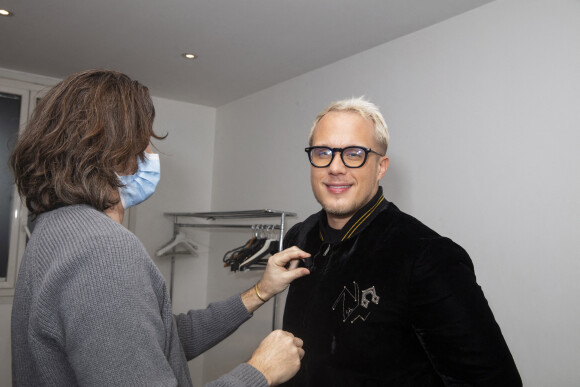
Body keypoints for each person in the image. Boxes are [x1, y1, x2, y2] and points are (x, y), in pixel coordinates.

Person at [9, 69, 310, 387]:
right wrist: (260, 372)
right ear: (113, 151)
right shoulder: (103, 249)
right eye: (143, 141)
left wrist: (260, 291)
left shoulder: (54, 230)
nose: (151, 154)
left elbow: (158, 341)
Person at [281, 97, 522, 386]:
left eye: (354, 153)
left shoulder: (426, 256)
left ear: (381, 167)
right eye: (323, 152)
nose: (335, 167)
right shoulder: (298, 237)